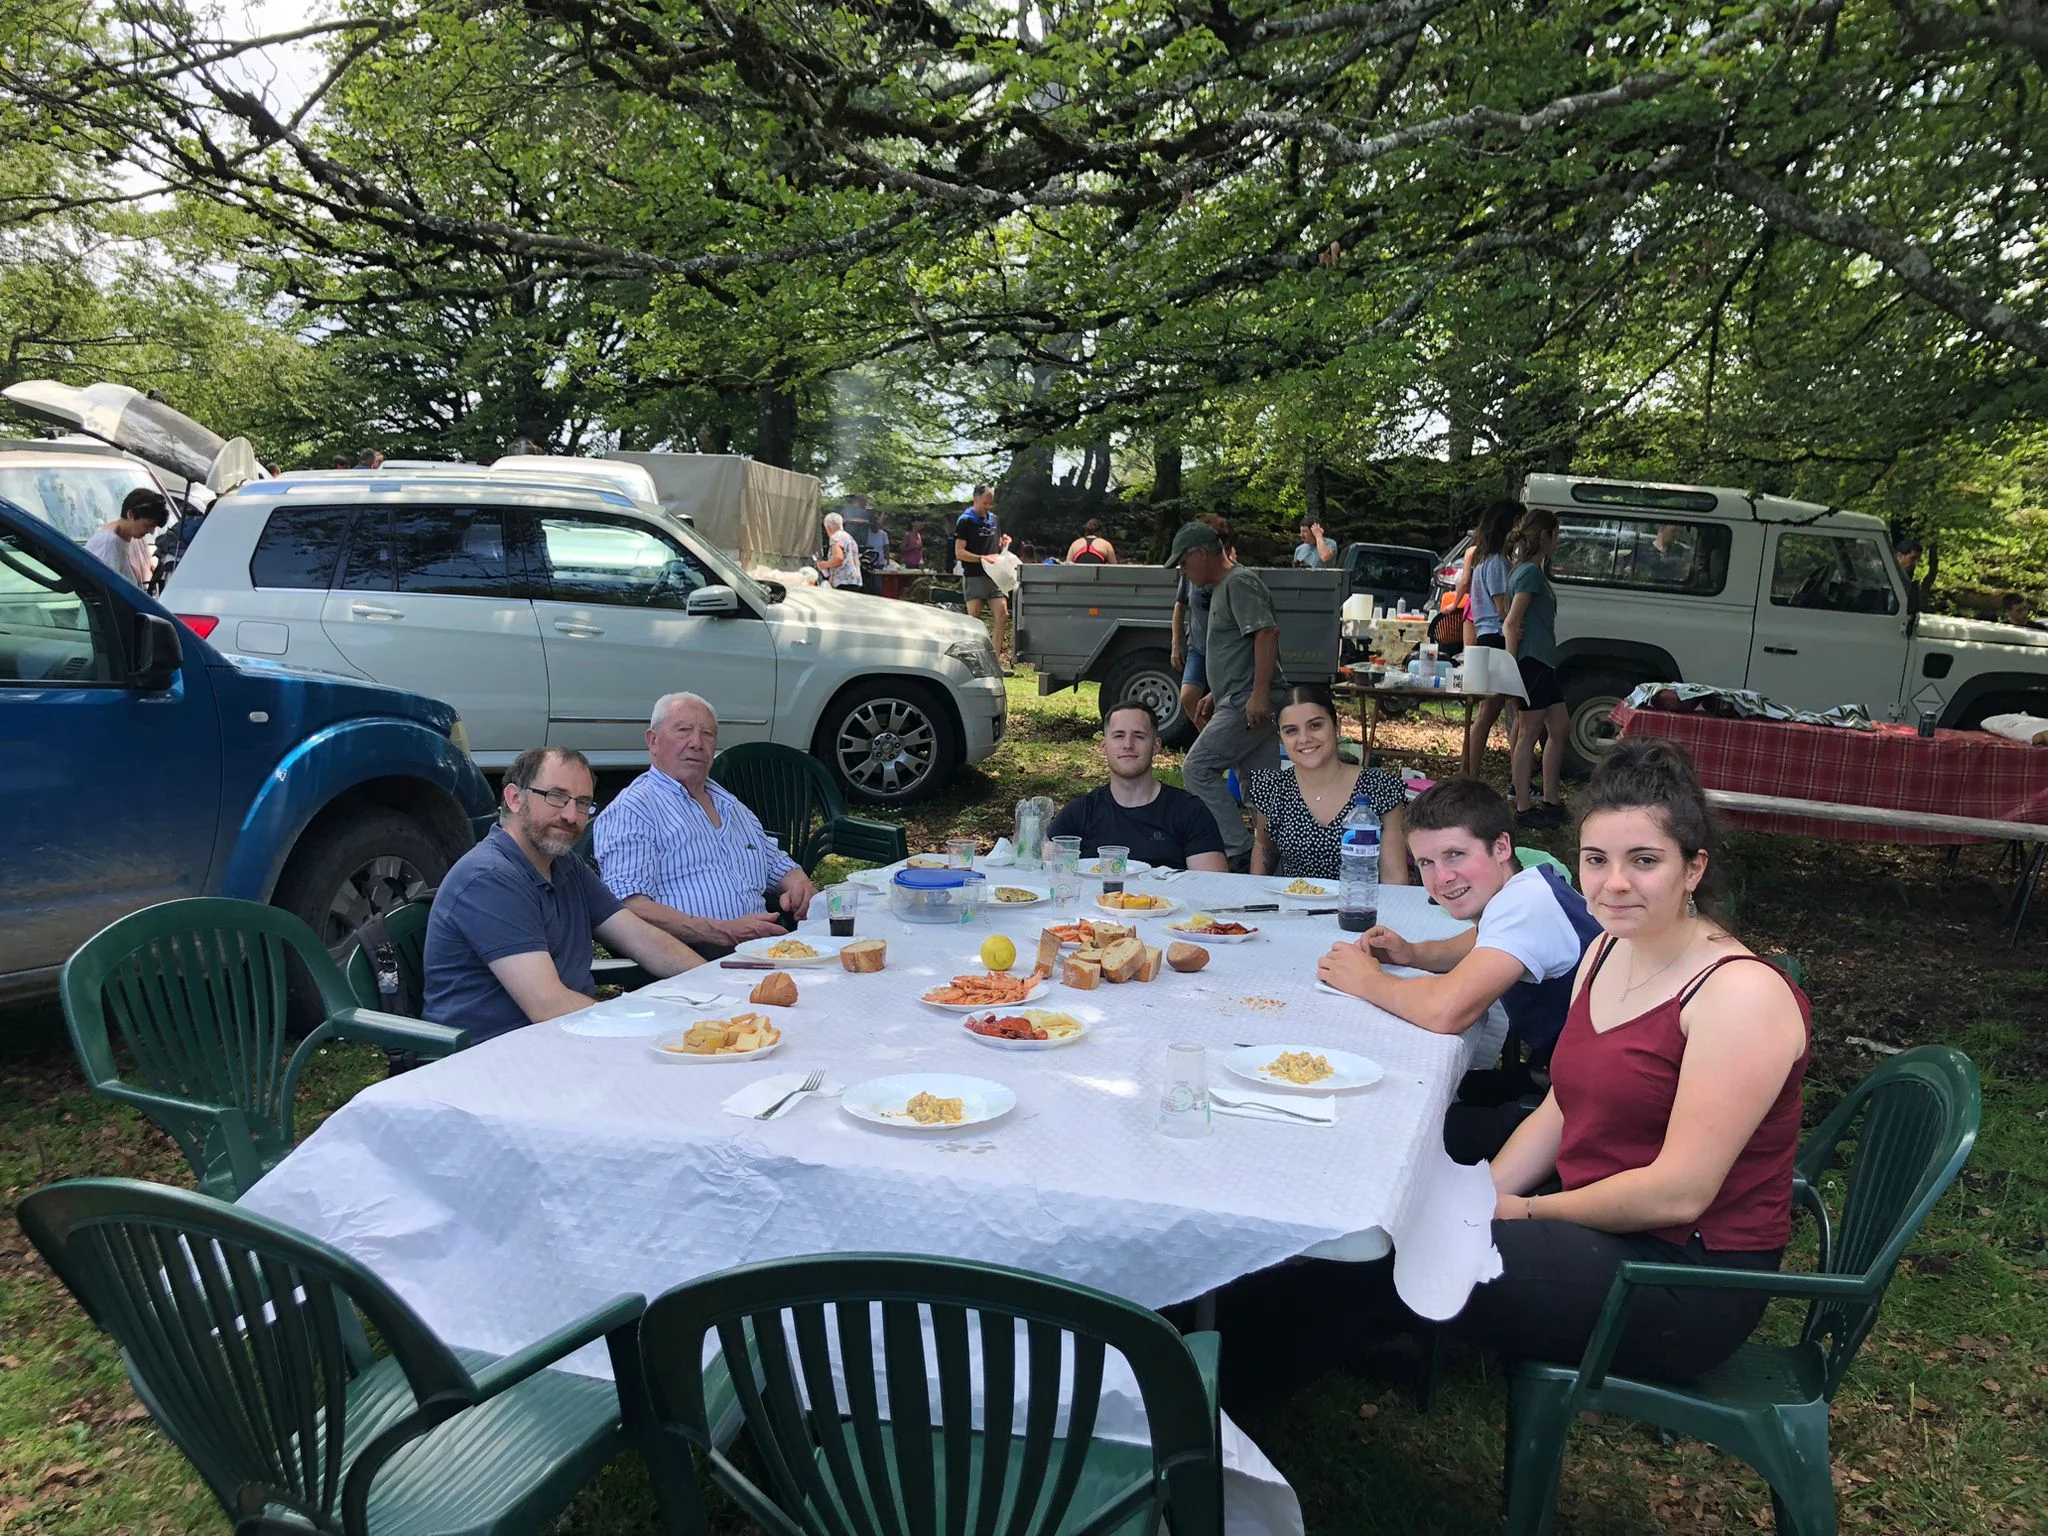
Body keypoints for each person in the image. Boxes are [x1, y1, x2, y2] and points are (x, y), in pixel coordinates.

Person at [1443, 738, 1810, 1381]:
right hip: (1596, 1221)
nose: (1614, 883)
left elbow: (1679, 1193)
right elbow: (1562, 1107)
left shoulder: (1739, 994)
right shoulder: (1607, 949)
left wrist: (1525, 1211)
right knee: (1421, 1223)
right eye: (1596, 860)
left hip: (1681, 1277)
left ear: (1693, 868)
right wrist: (1485, 1194)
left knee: (1416, 1257)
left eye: (1644, 860)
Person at [1316, 775, 1600, 1163]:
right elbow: (1484, 942)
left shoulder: (1525, 906)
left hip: (1590, 1114)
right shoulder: (1528, 887)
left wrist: (1367, 980)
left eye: (1455, 855)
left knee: (1392, 1131)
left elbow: (1446, 1012)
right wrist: (1413, 954)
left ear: (1501, 846)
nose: (1442, 878)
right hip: (1565, 1080)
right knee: (1429, 1092)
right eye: (1426, 863)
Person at [422, 747, 706, 1042]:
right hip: (496, 1054)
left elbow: (645, 940)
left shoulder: (565, 865)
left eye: (582, 803)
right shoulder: (489, 878)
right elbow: (548, 1006)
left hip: (563, 1038)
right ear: (515, 798)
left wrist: (716, 985)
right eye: (556, 796)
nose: (571, 815)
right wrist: (652, 1028)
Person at [592, 692, 820, 955]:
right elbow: (627, 907)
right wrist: (720, 931)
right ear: (653, 740)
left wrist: (799, 886)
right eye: (683, 730)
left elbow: (778, 866)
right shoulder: (634, 809)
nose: (696, 743)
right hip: (688, 959)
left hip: (763, 951)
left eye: (707, 734)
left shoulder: (732, 805)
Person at [1171, 520, 1287, 868]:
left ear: (1201, 554)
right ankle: (1272, 862)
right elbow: (1238, 648)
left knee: (1197, 767)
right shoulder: (1223, 586)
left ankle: (1236, 849)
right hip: (1237, 697)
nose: (1183, 571)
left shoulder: (1239, 582)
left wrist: (1259, 694)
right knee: (1261, 787)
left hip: (1247, 702)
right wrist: (1215, 693)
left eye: (1184, 563)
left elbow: (1266, 633)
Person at [1244, 685, 1410, 883]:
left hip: (1359, 900)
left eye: (1315, 725)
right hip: (1293, 900)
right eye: (1291, 731)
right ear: (1281, 737)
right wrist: (1254, 894)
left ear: (1336, 726)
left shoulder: (1380, 788)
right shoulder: (1274, 788)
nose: (1304, 738)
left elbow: (1394, 875)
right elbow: (1265, 848)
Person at [1047, 702, 1229, 871]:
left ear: (1156, 746)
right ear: (1104, 746)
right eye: (1119, 736)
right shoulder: (1078, 814)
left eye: (1139, 736)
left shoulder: (1189, 812)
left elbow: (1211, 886)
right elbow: (1043, 873)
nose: (1128, 745)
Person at [1505, 507, 1569, 826]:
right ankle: (1523, 807)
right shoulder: (1528, 573)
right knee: (1527, 734)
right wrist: (1510, 668)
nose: (1558, 540)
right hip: (1531, 662)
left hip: (1544, 661)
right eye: (1555, 534)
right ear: (1544, 535)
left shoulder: (1529, 571)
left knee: (1560, 727)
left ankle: (1550, 798)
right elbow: (1511, 622)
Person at [1461, 499, 1520, 778]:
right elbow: (1501, 608)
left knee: (1490, 713)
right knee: (1496, 713)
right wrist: (1517, 622)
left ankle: (1470, 773)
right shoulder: (1496, 563)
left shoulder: (1486, 561)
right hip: (1496, 639)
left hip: (1487, 639)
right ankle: (1471, 774)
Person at [1170, 515, 1229, 741]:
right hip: (1198, 646)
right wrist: (1176, 643)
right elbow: (1180, 605)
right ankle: (1209, 740)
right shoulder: (1190, 574)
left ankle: (1219, 741)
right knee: (1188, 696)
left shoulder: (1230, 578)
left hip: (1223, 650)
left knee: (1221, 701)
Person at [955, 484, 1013, 666]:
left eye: (990, 503)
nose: (988, 507)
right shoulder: (965, 521)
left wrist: (1005, 543)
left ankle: (994, 662)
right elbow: (959, 552)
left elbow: (997, 544)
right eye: (985, 503)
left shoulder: (994, 519)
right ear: (976, 498)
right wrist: (981, 558)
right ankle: (972, 659)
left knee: (1002, 614)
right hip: (974, 576)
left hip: (995, 576)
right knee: (974, 617)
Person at [84, 489, 169, 587]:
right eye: (147, 525)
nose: (151, 532)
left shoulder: (133, 538)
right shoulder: (107, 543)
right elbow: (105, 588)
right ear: (130, 514)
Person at [815, 511, 863, 589]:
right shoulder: (849, 537)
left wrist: (824, 564)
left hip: (843, 581)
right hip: (855, 580)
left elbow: (838, 558)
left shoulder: (835, 538)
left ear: (828, 527)